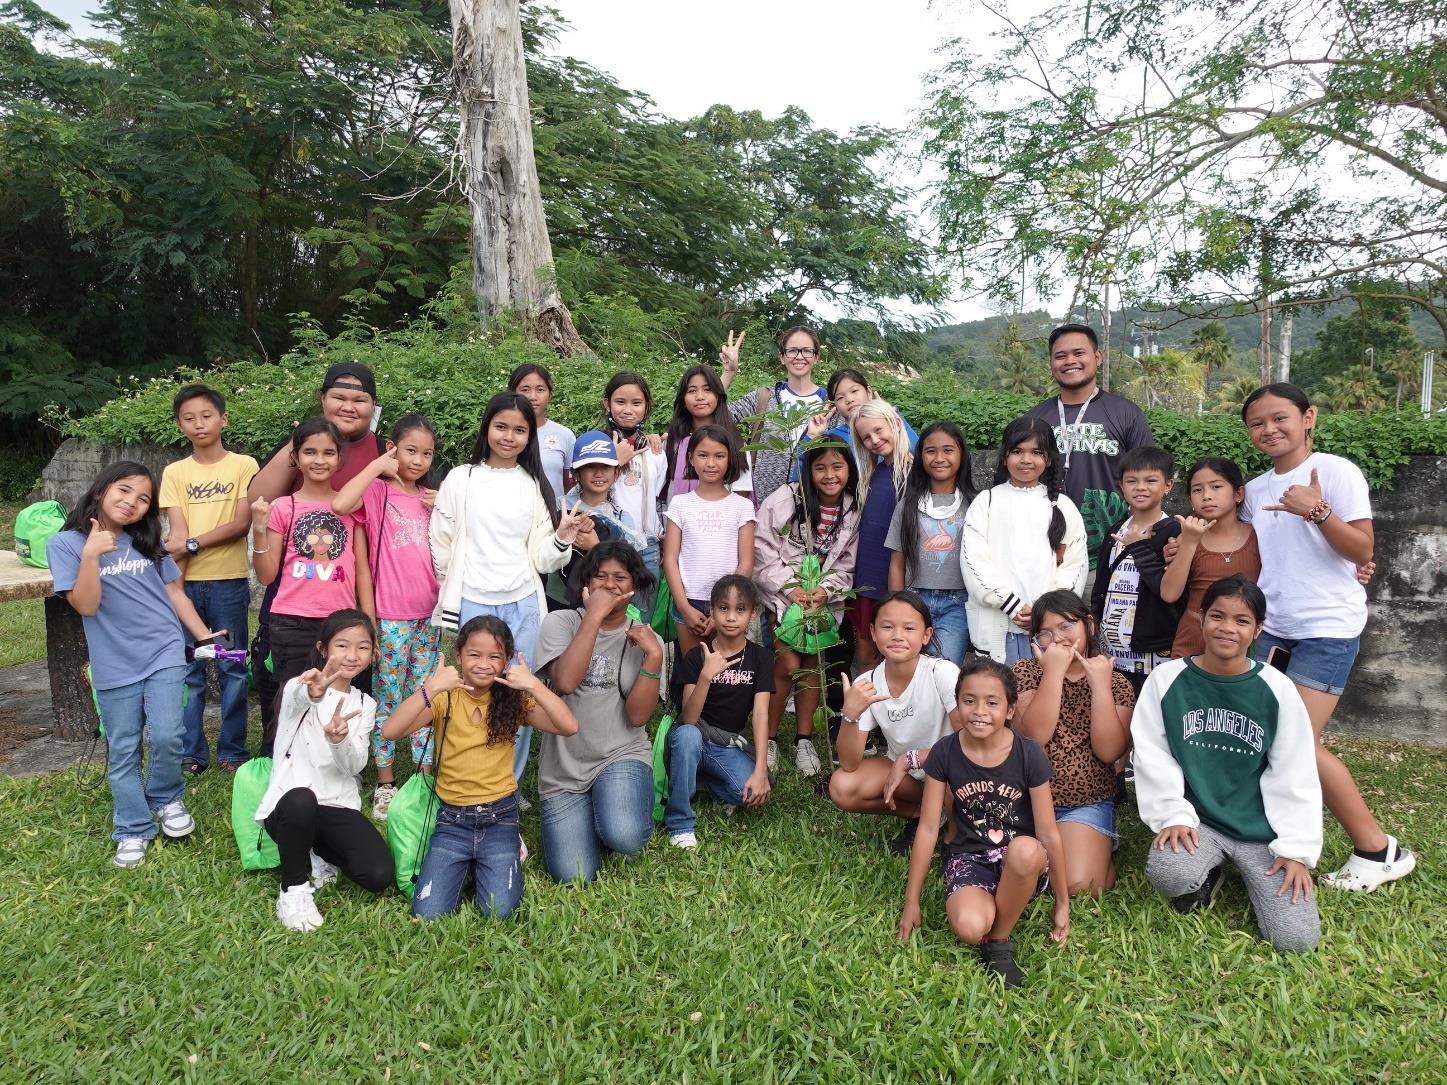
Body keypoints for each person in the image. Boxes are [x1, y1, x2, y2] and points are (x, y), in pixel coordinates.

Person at [1240, 383, 1414, 891]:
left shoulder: (1337, 472)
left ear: (1308, 417)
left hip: (1327, 628)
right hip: (1273, 626)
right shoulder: (1253, 490)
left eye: (1280, 418)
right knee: (1263, 737)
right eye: (1257, 423)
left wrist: (1317, 511)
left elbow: (1362, 549)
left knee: (1294, 741)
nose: (1269, 429)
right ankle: (1269, 833)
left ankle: (1378, 848)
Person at [1132, 575, 1322, 952]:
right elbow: (1153, 754)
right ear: (1201, 619)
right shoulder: (1166, 679)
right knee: (1171, 872)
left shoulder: (1277, 688)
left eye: (1242, 621)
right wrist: (1172, 815)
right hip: (1199, 823)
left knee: (1296, 940)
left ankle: (1245, 873)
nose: (1227, 628)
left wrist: (1295, 850)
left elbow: (1295, 771)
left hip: (1261, 832)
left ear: (1258, 630)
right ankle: (1208, 872)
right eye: (1218, 616)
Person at [49, 462, 223, 867]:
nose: (132, 502)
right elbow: (86, 606)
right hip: (113, 661)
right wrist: (91, 554)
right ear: (101, 490)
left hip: (162, 649)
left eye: (143, 498)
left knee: (166, 734)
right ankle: (131, 825)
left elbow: (174, 593)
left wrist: (202, 634)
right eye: (124, 491)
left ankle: (165, 797)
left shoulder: (146, 541)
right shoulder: (67, 545)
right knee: (124, 747)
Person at [429, 392, 589, 784]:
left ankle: (508, 784)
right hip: (472, 603)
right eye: (501, 426)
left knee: (516, 695)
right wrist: (458, 583)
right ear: (487, 427)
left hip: (522, 605)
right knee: (469, 691)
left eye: (520, 430)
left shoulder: (532, 484)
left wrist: (563, 537)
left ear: (530, 436)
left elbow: (542, 558)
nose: (509, 436)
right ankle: (461, 776)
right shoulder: (461, 478)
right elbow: (441, 542)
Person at [382, 616, 579, 919]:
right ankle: (472, 864)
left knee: (498, 912)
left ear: (505, 661)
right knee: (428, 913)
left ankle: (500, 855)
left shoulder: (513, 701)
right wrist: (431, 687)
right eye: (474, 654)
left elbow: (568, 726)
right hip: (452, 821)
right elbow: (391, 731)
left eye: (494, 656)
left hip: (499, 818)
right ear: (458, 655)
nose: (483, 664)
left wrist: (533, 685)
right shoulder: (445, 697)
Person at [896, 657, 1069, 989]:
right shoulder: (945, 752)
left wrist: (1063, 903)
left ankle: (1000, 941)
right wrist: (911, 901)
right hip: (968, 857)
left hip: (1021, 860)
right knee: (970, 927)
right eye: (969, 700)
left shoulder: (1028, 753)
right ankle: (989, 912)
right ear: (957, 703)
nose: (979, 711)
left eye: (992, 702)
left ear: (1009, 710)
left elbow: (1048, 832)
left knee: (1025, 851)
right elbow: (929, 828)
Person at [248, 362, 386, 745]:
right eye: (309, 452)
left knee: (341, 695)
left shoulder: (378, 458)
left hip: (342, 615)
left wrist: (369, 624)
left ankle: (337, 760)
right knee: (289, 694)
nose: (319, 460)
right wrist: (259, 528)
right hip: (291, 615)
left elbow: (360, 569)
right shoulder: (284, 504)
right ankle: (282, 762)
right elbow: (266, 571)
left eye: (359, 399)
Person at [330, 414, 441, 820]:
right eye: (410, 450)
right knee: (390, 698)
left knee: (426, 696)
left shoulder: (432, 498)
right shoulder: (377, 492)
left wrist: (444, 505)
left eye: (426, 453)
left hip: (429, 617)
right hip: (391, 617)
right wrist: (377, 465)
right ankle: (386, 783)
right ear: (392, 447)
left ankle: (424, 777)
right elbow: (340, 503)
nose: (418, 460)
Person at [256, 610, 393, 932]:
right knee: (301, 799)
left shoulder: (365, 704)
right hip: (289, 808)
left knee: (377, 875)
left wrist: (339, 739)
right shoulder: (300, 686)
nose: (352, 655)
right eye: (342, 646)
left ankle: (317, 852)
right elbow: (296, 699)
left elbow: (355, 765)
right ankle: (293, 889)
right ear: (323, 649)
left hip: (336, 804)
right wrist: (313, 694)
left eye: (362, 647)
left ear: (373, 653)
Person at [535, 542, 664, 883]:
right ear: (586, 584)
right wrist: (593, 615)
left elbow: (637, 718)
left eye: (620, 577)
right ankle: (598, 810)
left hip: (620, 754)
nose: (610, 585)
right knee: (573, 874)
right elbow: (564, 681)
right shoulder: (559, 622)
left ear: (634, 586)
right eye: (601, 577)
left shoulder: (646, 639)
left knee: (624, 835)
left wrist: (654, 659)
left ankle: (612, 809)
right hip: (563, 771)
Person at [159, 384, 258, 774]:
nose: (198, 424)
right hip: (185, 587)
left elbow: (239, 524)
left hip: (228, 583)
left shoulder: (243, 465)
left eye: (206, 415)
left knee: (233, 666)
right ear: (180, 425)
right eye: (188, 418)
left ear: (223, 419)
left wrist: (193, 543)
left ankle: (232, 751)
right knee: (191, 669)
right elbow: (176, 530)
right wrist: (178, 577)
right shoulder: (174, 472)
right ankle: (192, 752)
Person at [1012, 591, 1135, 895]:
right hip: (1025, 798)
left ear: (1088, 625)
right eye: (1045, 632)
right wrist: (1052, 674)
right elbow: (1032, 737)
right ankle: (1069, 849)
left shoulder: (1115, 681)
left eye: (1066, 626)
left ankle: (1088, 848)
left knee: (1080, 885)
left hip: (1085, 802)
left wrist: (1101, 688)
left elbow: (1109, 752)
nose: (1057, 639)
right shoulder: (1024, 671)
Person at [753, 441, 861, 777]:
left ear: (849, 470)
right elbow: (762, 546)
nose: (830, 475)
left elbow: (847, 561)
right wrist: (789, 586)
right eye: (820, 468)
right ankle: (768, 739)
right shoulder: (787, 499)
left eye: (837, 467)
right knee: (786, 664)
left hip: (823, 597)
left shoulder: (853, 508)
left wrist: (826, 590)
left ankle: (803, 739)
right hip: (785, 595)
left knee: (813, 665)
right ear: (808, 470)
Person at [830, 591, 960, 855]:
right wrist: (850, 714)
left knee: (952, 784)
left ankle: (956, 836)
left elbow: (970, 742)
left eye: (909, 628)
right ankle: (920, 814)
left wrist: (914, 758)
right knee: (842, 786)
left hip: (950, 773)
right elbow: (849, 763)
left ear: (926, 635)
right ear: (873, 632)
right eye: (887, 627)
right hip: (909, 779)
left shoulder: (942, 673)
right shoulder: (866, 683)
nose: (897, 636)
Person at [1027, 324, 1154, 582]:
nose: (1069, 361)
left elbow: (1149, 479)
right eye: (1060, 356)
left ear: (1097, 357)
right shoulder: (1035, 418)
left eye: (1078, 353)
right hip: (1045, 555)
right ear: (1051, 363)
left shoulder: (1126, 413)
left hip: (1113, 554)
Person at [962, 415, 1087, 664]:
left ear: (1048, 458)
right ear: (1004, 456)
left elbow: (1075, 566)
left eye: (1036, 452)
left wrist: (1045, 611)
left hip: (1048, 633)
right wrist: (1012, 605)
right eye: (1017, 451)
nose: (1026, 460)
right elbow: (973, 562)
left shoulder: (1063, 506)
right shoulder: (986, 502)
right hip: (996, 630)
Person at [664, 576, 775, 849]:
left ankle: (703, 782)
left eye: (740, 609)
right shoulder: (696, 657)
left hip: (726, 745)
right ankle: (680, 823)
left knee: (749, 794)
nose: (731, 617)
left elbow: (761, 715)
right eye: (723, 608)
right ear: (711, 611)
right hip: (692, 738)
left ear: (752, 614)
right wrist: (705, 676)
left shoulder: (761, 658)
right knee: (688, 737)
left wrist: (761, 769)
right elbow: (688, 720)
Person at [1090, 446, 1183, 694]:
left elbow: (1168, 590)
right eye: (1131, 481)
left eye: (1150, 480)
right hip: (1111, 651)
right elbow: (1102, 586)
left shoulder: (1174, 533)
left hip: (1152, 654)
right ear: (1121, 486)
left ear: (1168, 485)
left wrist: (1140, 546)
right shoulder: (1115, 531)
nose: (1140, 487)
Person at [661, 423, 756, 659]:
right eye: (703, 455)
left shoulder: (742, 506)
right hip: (689, 600)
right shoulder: (680, 504)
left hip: (729, 604)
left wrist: (723, 610)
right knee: (693, 671)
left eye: (719, 456)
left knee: (727, 674)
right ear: (691, 458)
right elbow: (670, 559)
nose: (711, 463)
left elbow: (745, 563)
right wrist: (684, 607)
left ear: (730, 459)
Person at [886, 421, 977, 665]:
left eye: (948, 450)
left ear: (962, 455)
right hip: (914, 599)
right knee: (909, 667)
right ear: (920, 457)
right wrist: (897, 606)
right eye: (930, 451)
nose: (939, 458)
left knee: (944, 669)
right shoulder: (907, 506)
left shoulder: (976, 505)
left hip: (958, 604)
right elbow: (897, 563)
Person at [1159, 458, 1261, 658]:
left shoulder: (1258, 536)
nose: (1206, 496)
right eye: (1197, 490)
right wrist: (1189, 543)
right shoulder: (1187, 538)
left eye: (1216, 487)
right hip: (1194, 638)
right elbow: (1169, 593)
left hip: (1240, 640)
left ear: (1238, 493)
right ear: (1190, 500)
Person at [719, 326, 829, 505]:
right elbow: (718, 414)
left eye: (807, 351)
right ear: (782, 357)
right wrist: (728, 373)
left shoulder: (830, 404)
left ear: (816, 357)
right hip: (764, 509)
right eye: (792, 350)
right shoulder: (764, 396)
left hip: (813, 511)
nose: (799, 356)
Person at [848, 399, 916, 671]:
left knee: (898, 657)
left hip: (900, 580)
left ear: (896, 424)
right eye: (866, 437)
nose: (874, 440)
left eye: (879, 430)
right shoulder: (871, 474)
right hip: (867, 578)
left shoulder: (915, 472)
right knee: (866, 657)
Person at [553, 430, 647, 608]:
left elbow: (629, 565)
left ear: (616, 473)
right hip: (561, 600)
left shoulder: (622, 518)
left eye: (605, 467)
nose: (598, 473)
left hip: (607, 602)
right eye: (590, 467)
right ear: (576, 474)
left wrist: (596, 547)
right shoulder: (560, 507)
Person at [600, 371, 667, 610]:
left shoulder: (655, 451)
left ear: (646, 408)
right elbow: (589, 493)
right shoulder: (596, 448)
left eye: (636, 403)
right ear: (607, 404)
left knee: (642, 621)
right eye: (620, 402)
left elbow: (659, 498)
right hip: (608, 545)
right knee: (606, 615)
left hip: (647, 547)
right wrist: (614, 463)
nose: (628, 409)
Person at [662, 364, 754, 504]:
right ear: (683, 400)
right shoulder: (672, 443)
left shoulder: (736, 444)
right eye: (692, 391)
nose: (700, 397)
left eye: (707, 390)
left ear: (718, 395)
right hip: (676, 523)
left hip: (724, 522)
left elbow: (742, 500)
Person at [799, 368, 919, 470]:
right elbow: (801, 475)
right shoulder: (832, 439)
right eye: (840, 397)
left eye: (854, 391)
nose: (849, 399)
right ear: (834, 406)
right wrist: (811, 437)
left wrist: (891, 416)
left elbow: (918, 452)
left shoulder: (890, 425)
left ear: (868, 392)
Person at [509, 362, 575, 506]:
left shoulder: (565, 435)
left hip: (553, 518)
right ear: (512, 393)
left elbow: (569, 487)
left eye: (540, 389)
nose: (532, 396)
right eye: (525, 389)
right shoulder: (504, 435)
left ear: (549, 395)